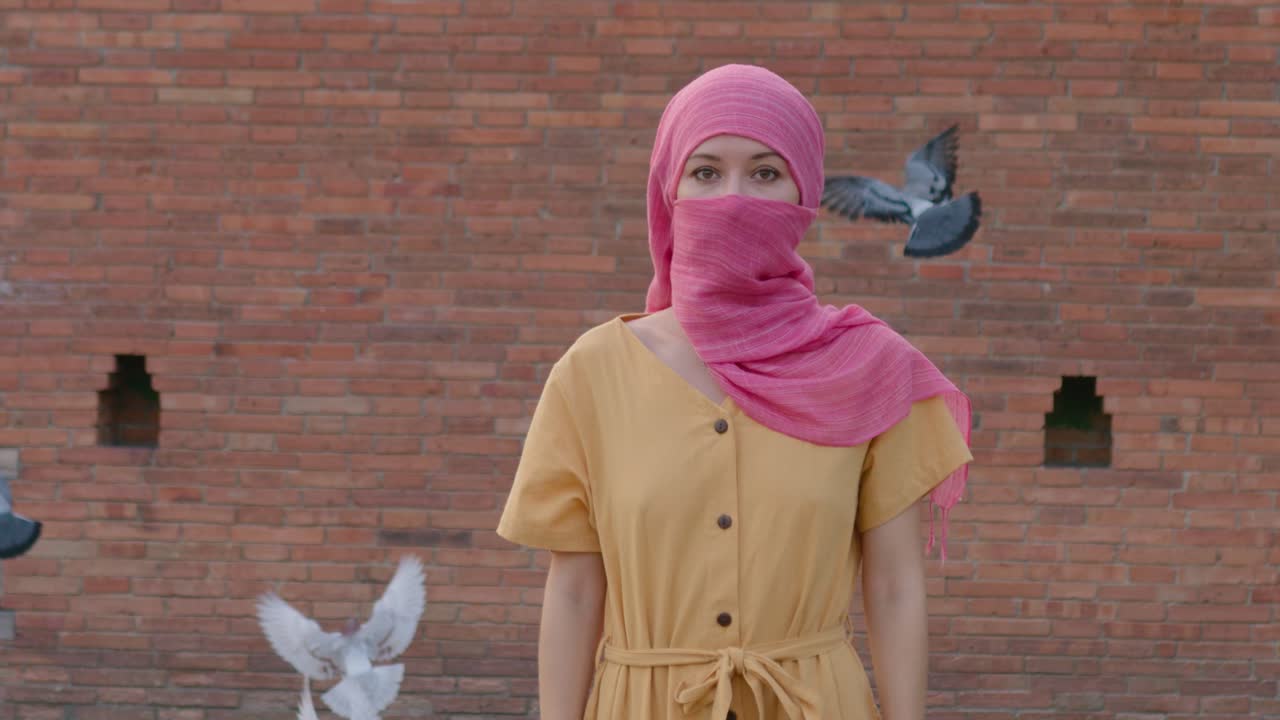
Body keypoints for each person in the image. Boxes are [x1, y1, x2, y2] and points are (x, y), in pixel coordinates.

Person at [496, 64, 973, 720]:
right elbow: (576, 591)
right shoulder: (592, 375)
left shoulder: (870, 367)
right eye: (706, 172)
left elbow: (893, 587)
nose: (733, 197)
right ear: (669, 190)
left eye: (766, 173)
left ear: (804, 193)